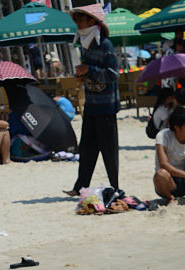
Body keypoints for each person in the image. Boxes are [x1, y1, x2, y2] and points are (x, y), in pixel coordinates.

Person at [64, 4, 119, 197]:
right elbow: (93, 72)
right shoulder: (86, 44)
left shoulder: (105, 44)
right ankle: (80, 187)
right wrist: (83, 76)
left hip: (106, 106)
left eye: (81, 19)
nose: (78, 23)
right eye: (77, 19)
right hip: (91, 104)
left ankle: (115, 187)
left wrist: (89, 70)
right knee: (86, 148)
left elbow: (113, 74)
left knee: (109, 151)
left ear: (92, 21)